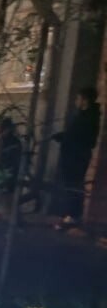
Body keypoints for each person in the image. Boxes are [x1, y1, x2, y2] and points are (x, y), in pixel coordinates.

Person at [52, 86, 100, 222]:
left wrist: (65, 138)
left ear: (85, 100)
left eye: (78, 98)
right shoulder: (83, 115)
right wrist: (63, 136)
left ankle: (73, 215)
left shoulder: (89, 117)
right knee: (71, 185)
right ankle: (70, 214)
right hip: (72, 155)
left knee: (74, 185)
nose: (76, 101)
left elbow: (81, 137)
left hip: (77, 157)